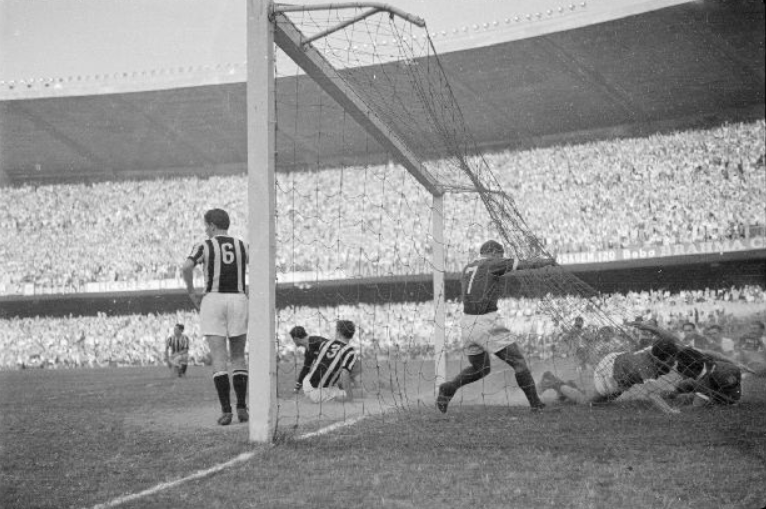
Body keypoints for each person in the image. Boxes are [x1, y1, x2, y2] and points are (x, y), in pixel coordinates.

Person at [436, 240, 555, 413]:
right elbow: (523, 264)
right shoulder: (493, 263)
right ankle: (536, 405)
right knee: (519, 362)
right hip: (486, 321)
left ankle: (450, 387)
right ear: (493, 252)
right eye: (501, 254)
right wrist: (547, 261)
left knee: (481, 368)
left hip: (467, 323)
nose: (502, 258)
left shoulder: (468, 267)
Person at [182, 208, 249, 426]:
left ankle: (226, 411)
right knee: (238, 355)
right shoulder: (242, 245)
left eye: (206, 225)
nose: (205, 229)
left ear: (211, 225)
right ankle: (242, 407)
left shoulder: (204, 245)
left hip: (213, 300)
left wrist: (192, 292)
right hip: (238, 299)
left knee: (219, 357)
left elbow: (187, 266)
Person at [538, 335, 682, 414]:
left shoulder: (658, 350)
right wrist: (669, 410)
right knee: (586, 402)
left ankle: (569, 387)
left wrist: (650, 328)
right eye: (673, 358)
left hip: (620, 368)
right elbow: (651, 393)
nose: (675, 360)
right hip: (609, 372)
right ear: (664, 357)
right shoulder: (645, 366)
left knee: (603, 402)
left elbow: (667, 337)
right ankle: (551, 381)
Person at [289, 320, 360, 403]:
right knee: (351, 394)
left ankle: (310, 397)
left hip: (307, 383)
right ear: (352, 335)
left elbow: (308, 367)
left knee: (338, 382)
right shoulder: (350, 351)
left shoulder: (325, 344)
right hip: (319, 392)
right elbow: (344, 373)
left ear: (338, 332)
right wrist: (349, 395)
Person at [665, 347, 742, 406]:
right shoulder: (703, 366)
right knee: (685, 384)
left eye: (680, 365)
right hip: (709, 385)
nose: (678, 368)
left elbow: (733, 397)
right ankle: (671, 395)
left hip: (722, 397)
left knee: (689, 399)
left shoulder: (721, 374)